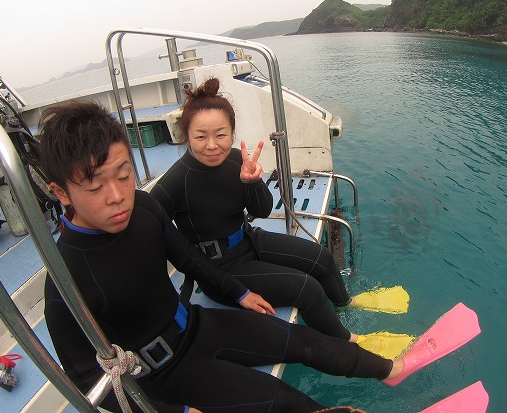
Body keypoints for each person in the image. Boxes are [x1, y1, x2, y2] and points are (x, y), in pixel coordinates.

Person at [39, 100, 413, 413]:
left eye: (123, 176)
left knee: (304, 341)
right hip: (162, 372)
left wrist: (239, 292)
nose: (117, 196)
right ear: (62, 192)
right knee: (282, 399)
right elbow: (86, 380)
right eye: (95, 187)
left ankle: (391, 369)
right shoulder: (65, 280)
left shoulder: (144, 208)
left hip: (196, 325)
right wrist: (176, 412)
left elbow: (187, 258)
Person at [151, 77, 373, 344]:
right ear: (186, 135)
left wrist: (253, 183)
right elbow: (170, 249)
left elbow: (264, 209)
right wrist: (238, 292)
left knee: (322, 258)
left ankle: (346, 303)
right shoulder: (173, 185)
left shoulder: (237, 160)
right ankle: (350, 343)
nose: (212, 145)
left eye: (221, 135)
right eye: (200, 136)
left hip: (249, 240)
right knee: (306, 288)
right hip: (220, 272)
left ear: (232, 132)